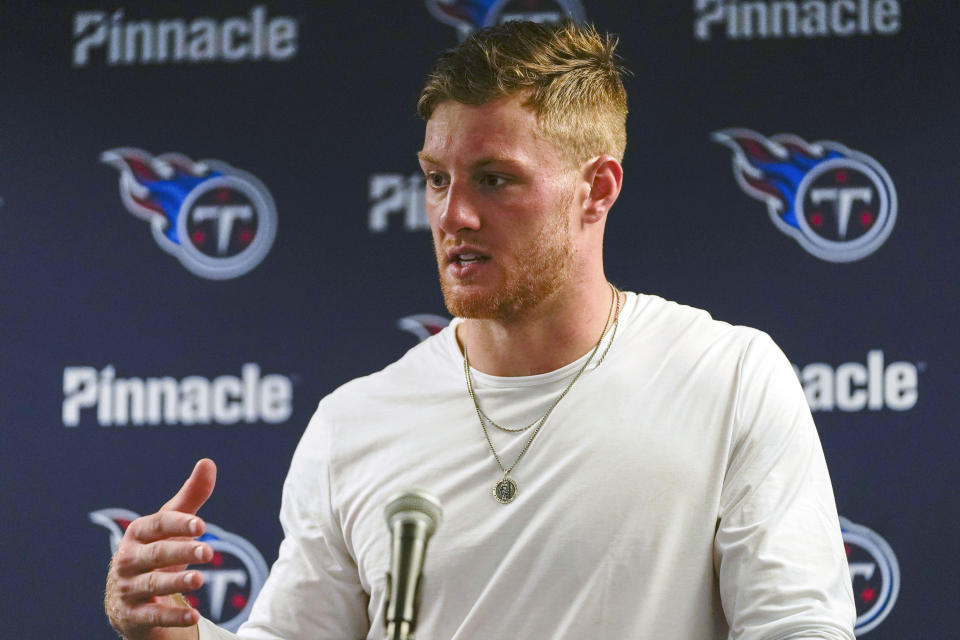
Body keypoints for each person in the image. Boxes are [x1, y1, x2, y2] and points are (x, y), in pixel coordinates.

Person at [104, 20, 856, 639]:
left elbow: (799, 629)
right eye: (437, 178)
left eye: (495, 179)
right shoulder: (354, 424)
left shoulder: (727, 379)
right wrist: (181, 635)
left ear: (596, 190)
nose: (452, 214)